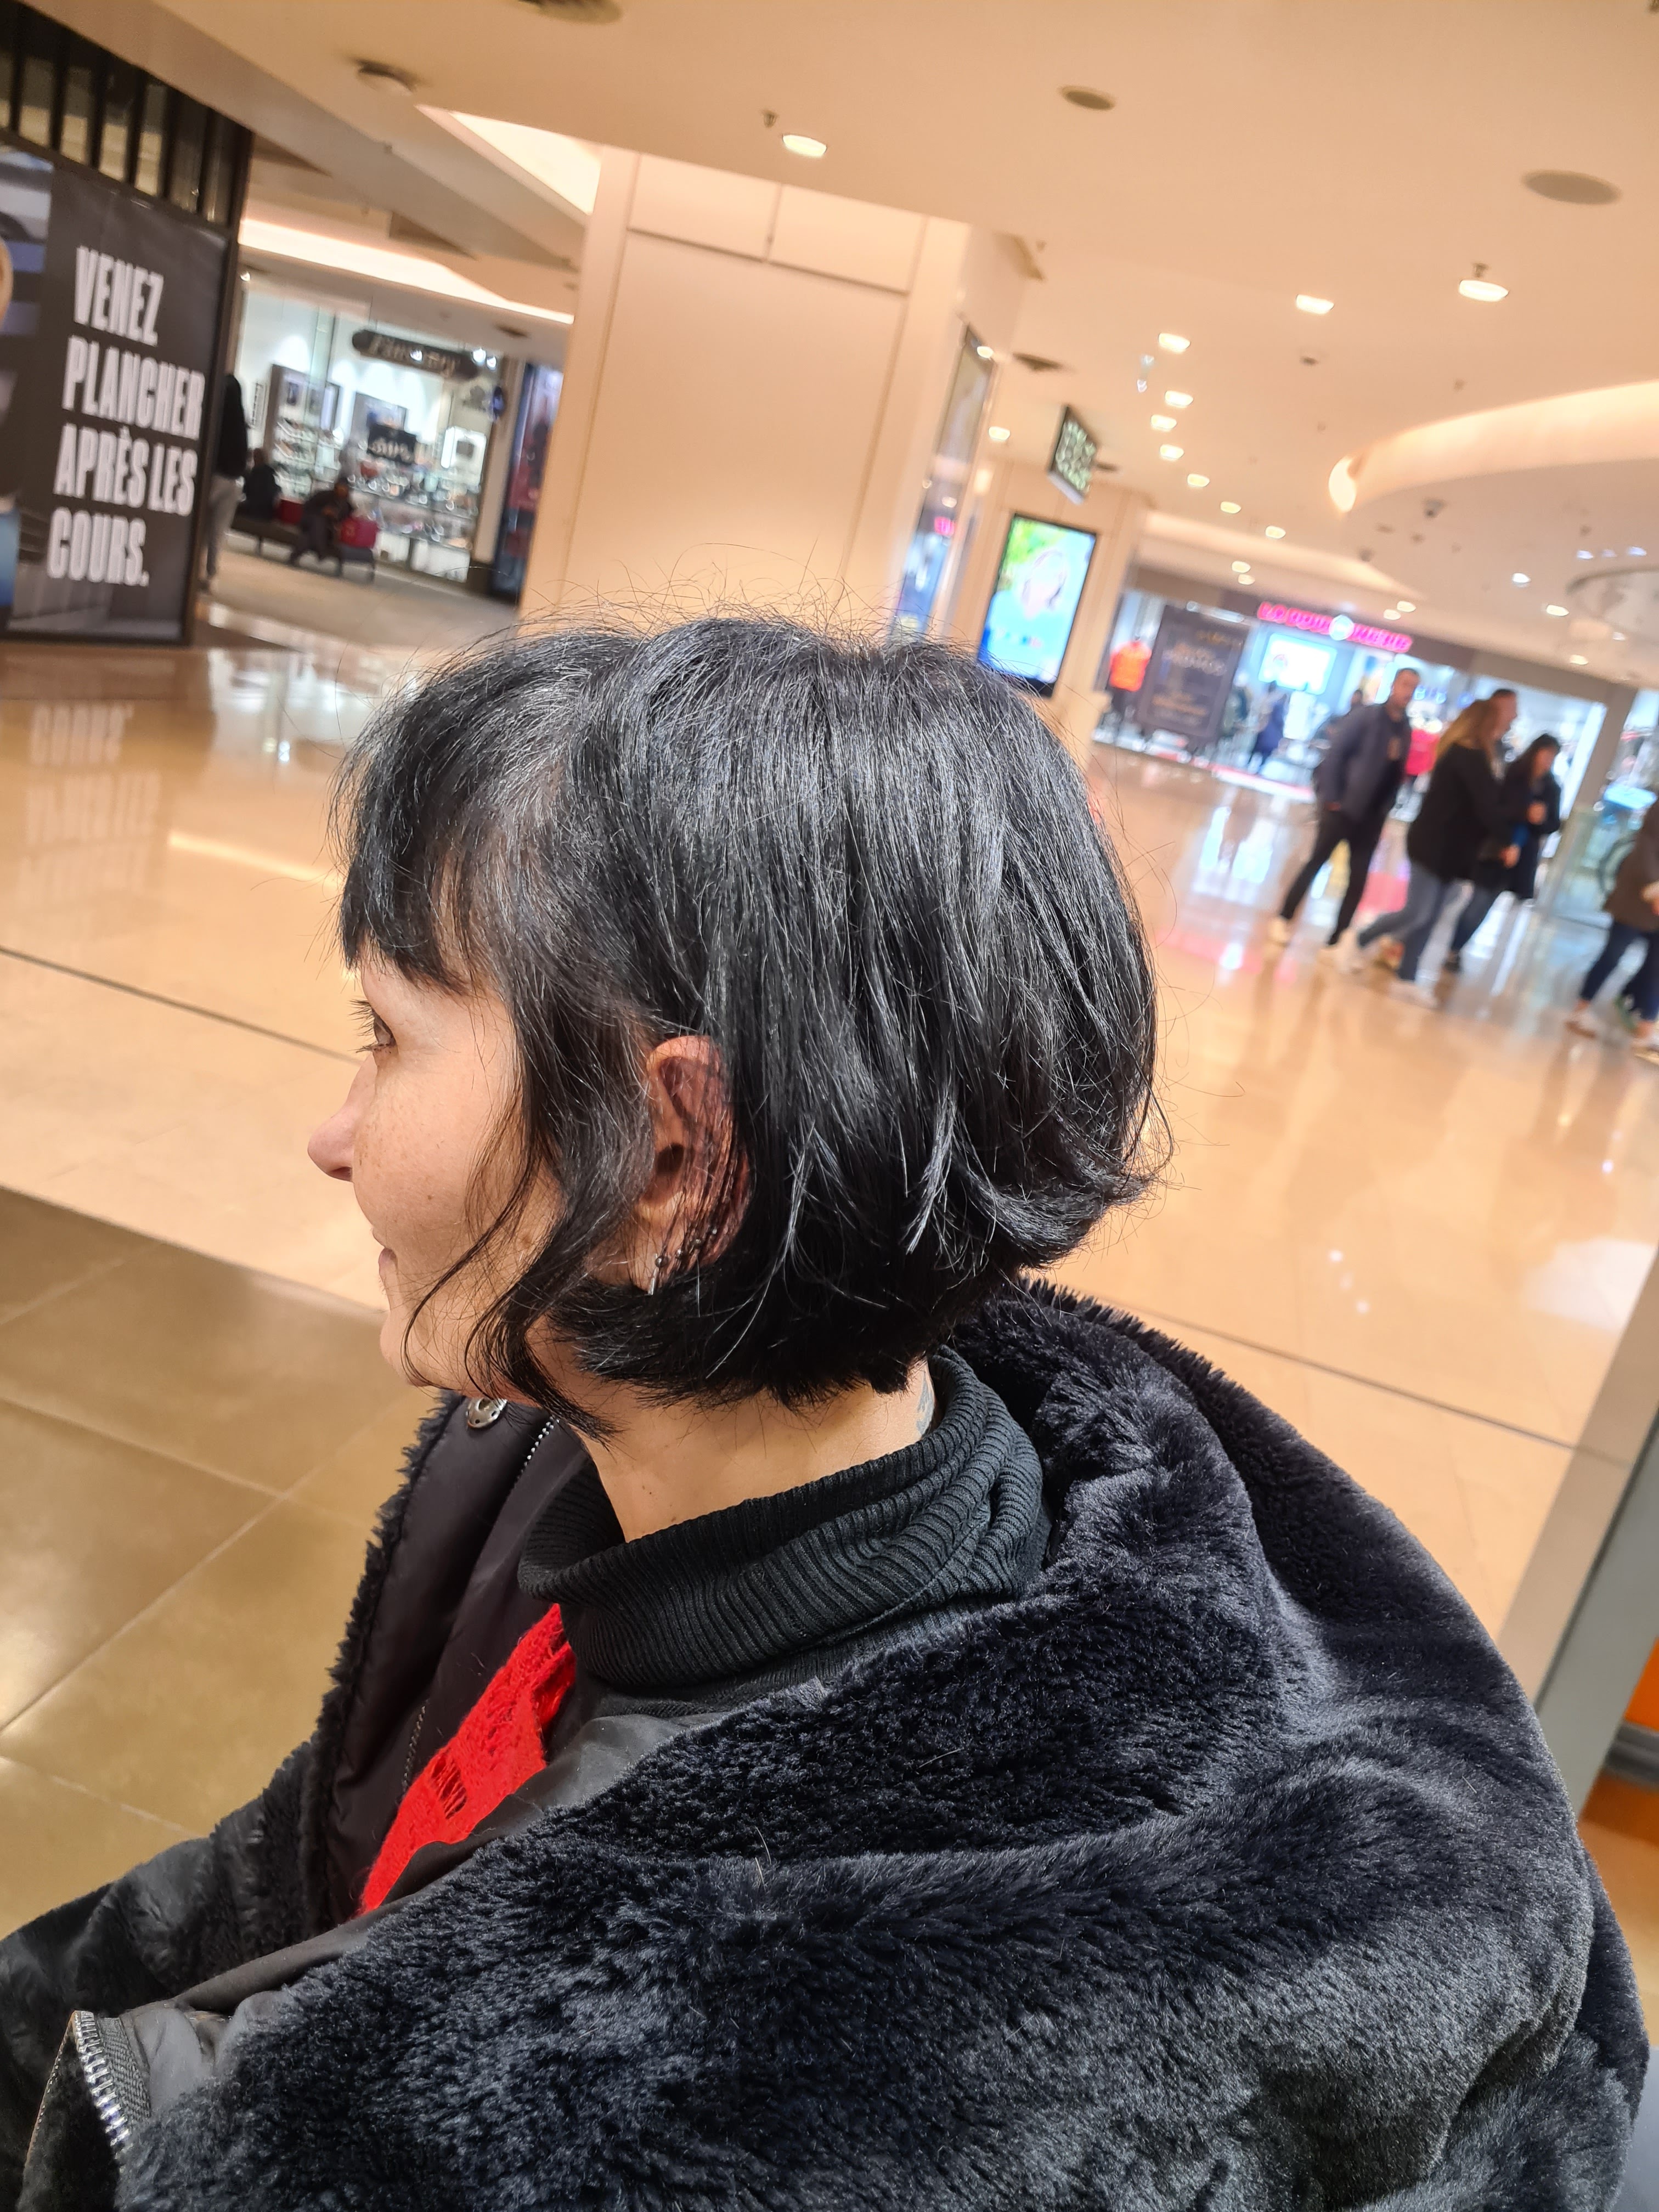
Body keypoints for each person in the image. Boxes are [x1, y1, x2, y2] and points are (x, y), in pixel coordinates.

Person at [2, 622, 1642, 2210]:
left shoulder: (877, 2068)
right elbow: (305, 1864)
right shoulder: (542, 1459)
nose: (336, 1134)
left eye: (388, 1037)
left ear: (676, 1158)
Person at [1350, 691, 1515, 1001]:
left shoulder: (1475, 756)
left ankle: (1408, 975)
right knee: (1418, 912)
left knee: (1430, 915)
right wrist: (1506, 839)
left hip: (1450, 851)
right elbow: (1487, 806)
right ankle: (1362, 937)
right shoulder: (1468, 757)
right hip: (1434, 846)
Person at [1269, 664, 1418, 955]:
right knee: (1316, 862)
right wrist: (1333, 798)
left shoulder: (1405, 729)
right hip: (1343, 809)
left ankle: (1337, 939)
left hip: (1373, 817)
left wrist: (1386, 808)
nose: (1408, 692)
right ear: (1393, 685)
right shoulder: (1367, 717)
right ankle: (1284, 917)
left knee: (1358, 878)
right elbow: (1336, 755)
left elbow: (1395, 772)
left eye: (1413, 688)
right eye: (1405, 685)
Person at [1443, 734, 1562, 970]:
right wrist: (1524, 813)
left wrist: (1541, 819)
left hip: (1521, 856)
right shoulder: (1513, 774)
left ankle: (1456, 949)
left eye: (1552, 757)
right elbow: (1494, 809)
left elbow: (1553, 824)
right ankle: (1453, 949)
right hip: (1495, 847)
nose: (1548, 761)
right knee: (1478, 902)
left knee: (1485, 905)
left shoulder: (1551, 788)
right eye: (1546, 754)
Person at [1566, 792, 1659, 1064]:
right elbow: (1646, 845)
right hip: (1638, 896)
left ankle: (1645, 1031)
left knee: (1657, 967)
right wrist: (1655, 888)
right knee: (1613, 954)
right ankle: (1580, 1009)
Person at [201, 373, 247, 589]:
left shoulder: (219, 417)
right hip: (235, 482)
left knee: (201, 525)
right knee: (218, 531)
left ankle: (194, 568)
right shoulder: (240, 421)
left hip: (217, 476)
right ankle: (211, 575)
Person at [287, 476, 354, 569]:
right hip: (310, 522)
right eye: (341, 487)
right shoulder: (324, 495)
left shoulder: (347, 505)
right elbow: (307, 507)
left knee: (308, 538)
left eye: (345, 489)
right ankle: (321, 551)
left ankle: (295, 557)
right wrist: (322, 511)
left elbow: (345, 520)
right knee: (318, 521)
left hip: (327, 530)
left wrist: (335, 516)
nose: (342, 490)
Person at [1246, 682, 1288, 772]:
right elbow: (1279, 721)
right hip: (1271, 732)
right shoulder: (1277, 706)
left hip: (1266, 730)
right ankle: (1259, 767)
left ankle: (1249, 764)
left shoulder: (1270, 702)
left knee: (1258, 748)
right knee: (1265, 751)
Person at [238, 447, 280, 524]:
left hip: (256, 511)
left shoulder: (256, 473)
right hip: (267, 512)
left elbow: (249, 492)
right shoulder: (270, 474)